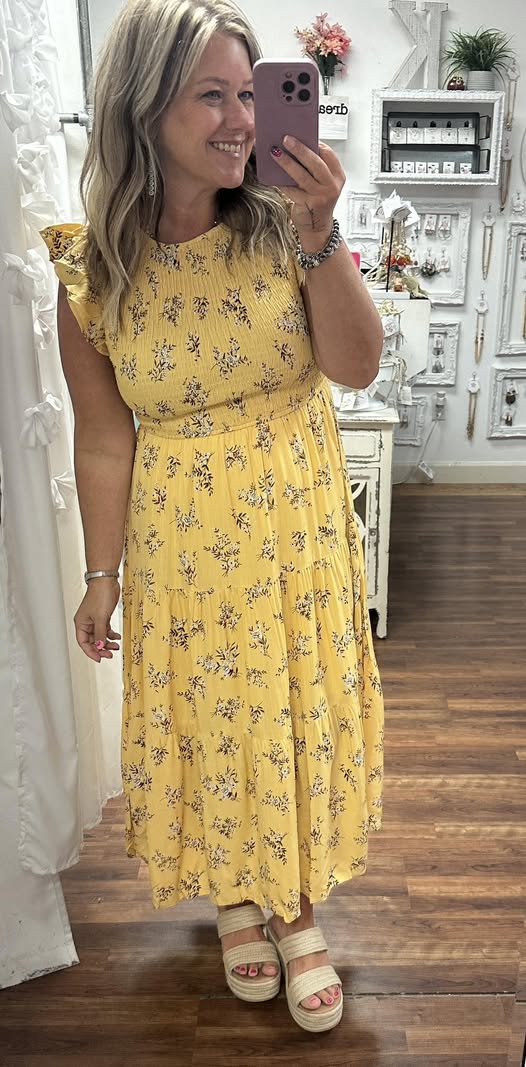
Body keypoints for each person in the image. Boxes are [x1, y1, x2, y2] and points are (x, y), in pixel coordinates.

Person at [42, 0, 384, 1034]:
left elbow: (354, 366)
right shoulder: (90, 270)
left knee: (285, 710)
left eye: (251, 94)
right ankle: (236, 893)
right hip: (185, 542)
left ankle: (295, 906)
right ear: (144, 108)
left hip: (296, 527)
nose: (242, 120)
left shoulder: (286, 224)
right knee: (209, 716)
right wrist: (101, 576)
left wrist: (325, 241)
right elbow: (103, 439)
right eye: (214, 96)